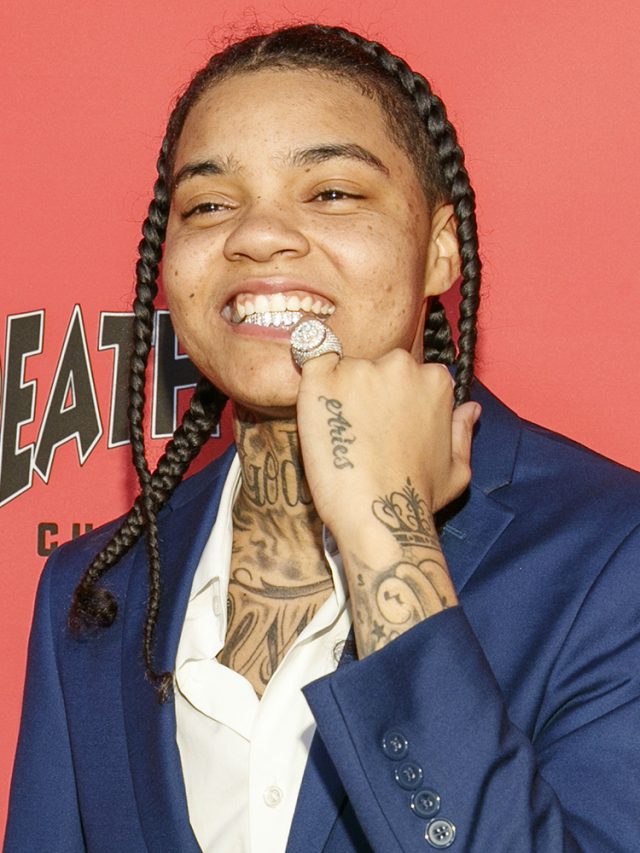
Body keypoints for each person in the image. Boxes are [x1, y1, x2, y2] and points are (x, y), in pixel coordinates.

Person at [5, 23, 640, 853]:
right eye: (209, 204)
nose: (257, 234)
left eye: (332, 192)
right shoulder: (94, 589)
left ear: (440, 248)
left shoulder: (613, 554)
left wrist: (387, 538)